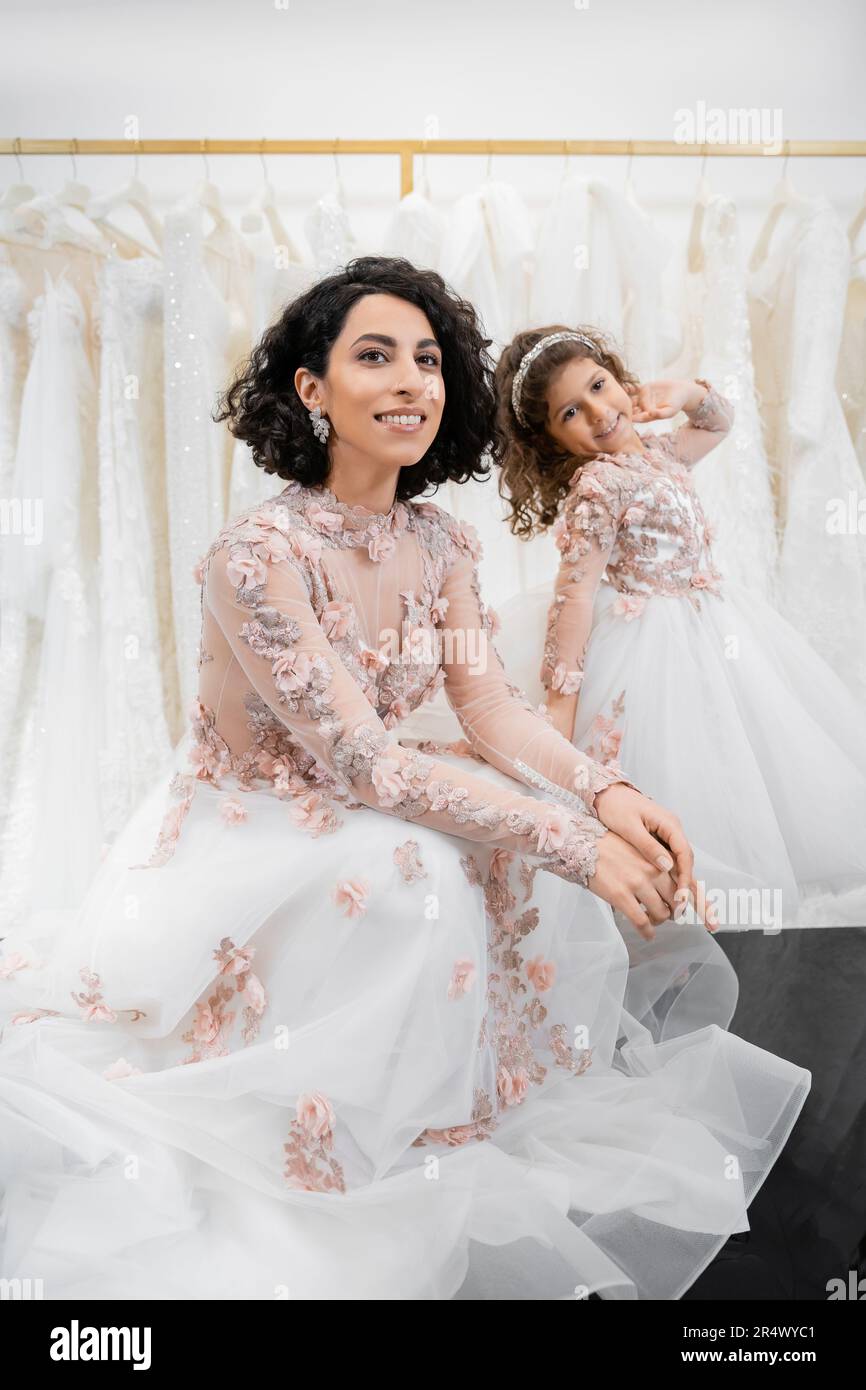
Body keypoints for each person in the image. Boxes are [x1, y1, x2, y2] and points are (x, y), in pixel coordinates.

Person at [0, 262, 810, 1301]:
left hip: (376, 785)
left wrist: (602, 795)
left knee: (503, 832)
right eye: (373, 356)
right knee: (413, 866)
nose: (410, 381)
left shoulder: (440, 542)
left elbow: (485, 707)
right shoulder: (255, 556)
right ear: (309, 389)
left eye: (426, 360)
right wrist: (573, 841)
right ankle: (340, 1129)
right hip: (262, 817)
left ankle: (451, 1103)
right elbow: (362, 761)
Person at [491, 325, 866, 929]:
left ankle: (731, 906)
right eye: (571, 412)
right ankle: (671, 912)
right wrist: (561, 703)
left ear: (617, 376)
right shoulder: (599, 486)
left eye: (599, 385)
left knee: (736, 755)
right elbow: (576, 596)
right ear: (552, 440)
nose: (598, 412)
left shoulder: (662, 452)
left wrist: (685, 392)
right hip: (650, 645)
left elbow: (719, 422)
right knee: (679, 761)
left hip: (714, 625)